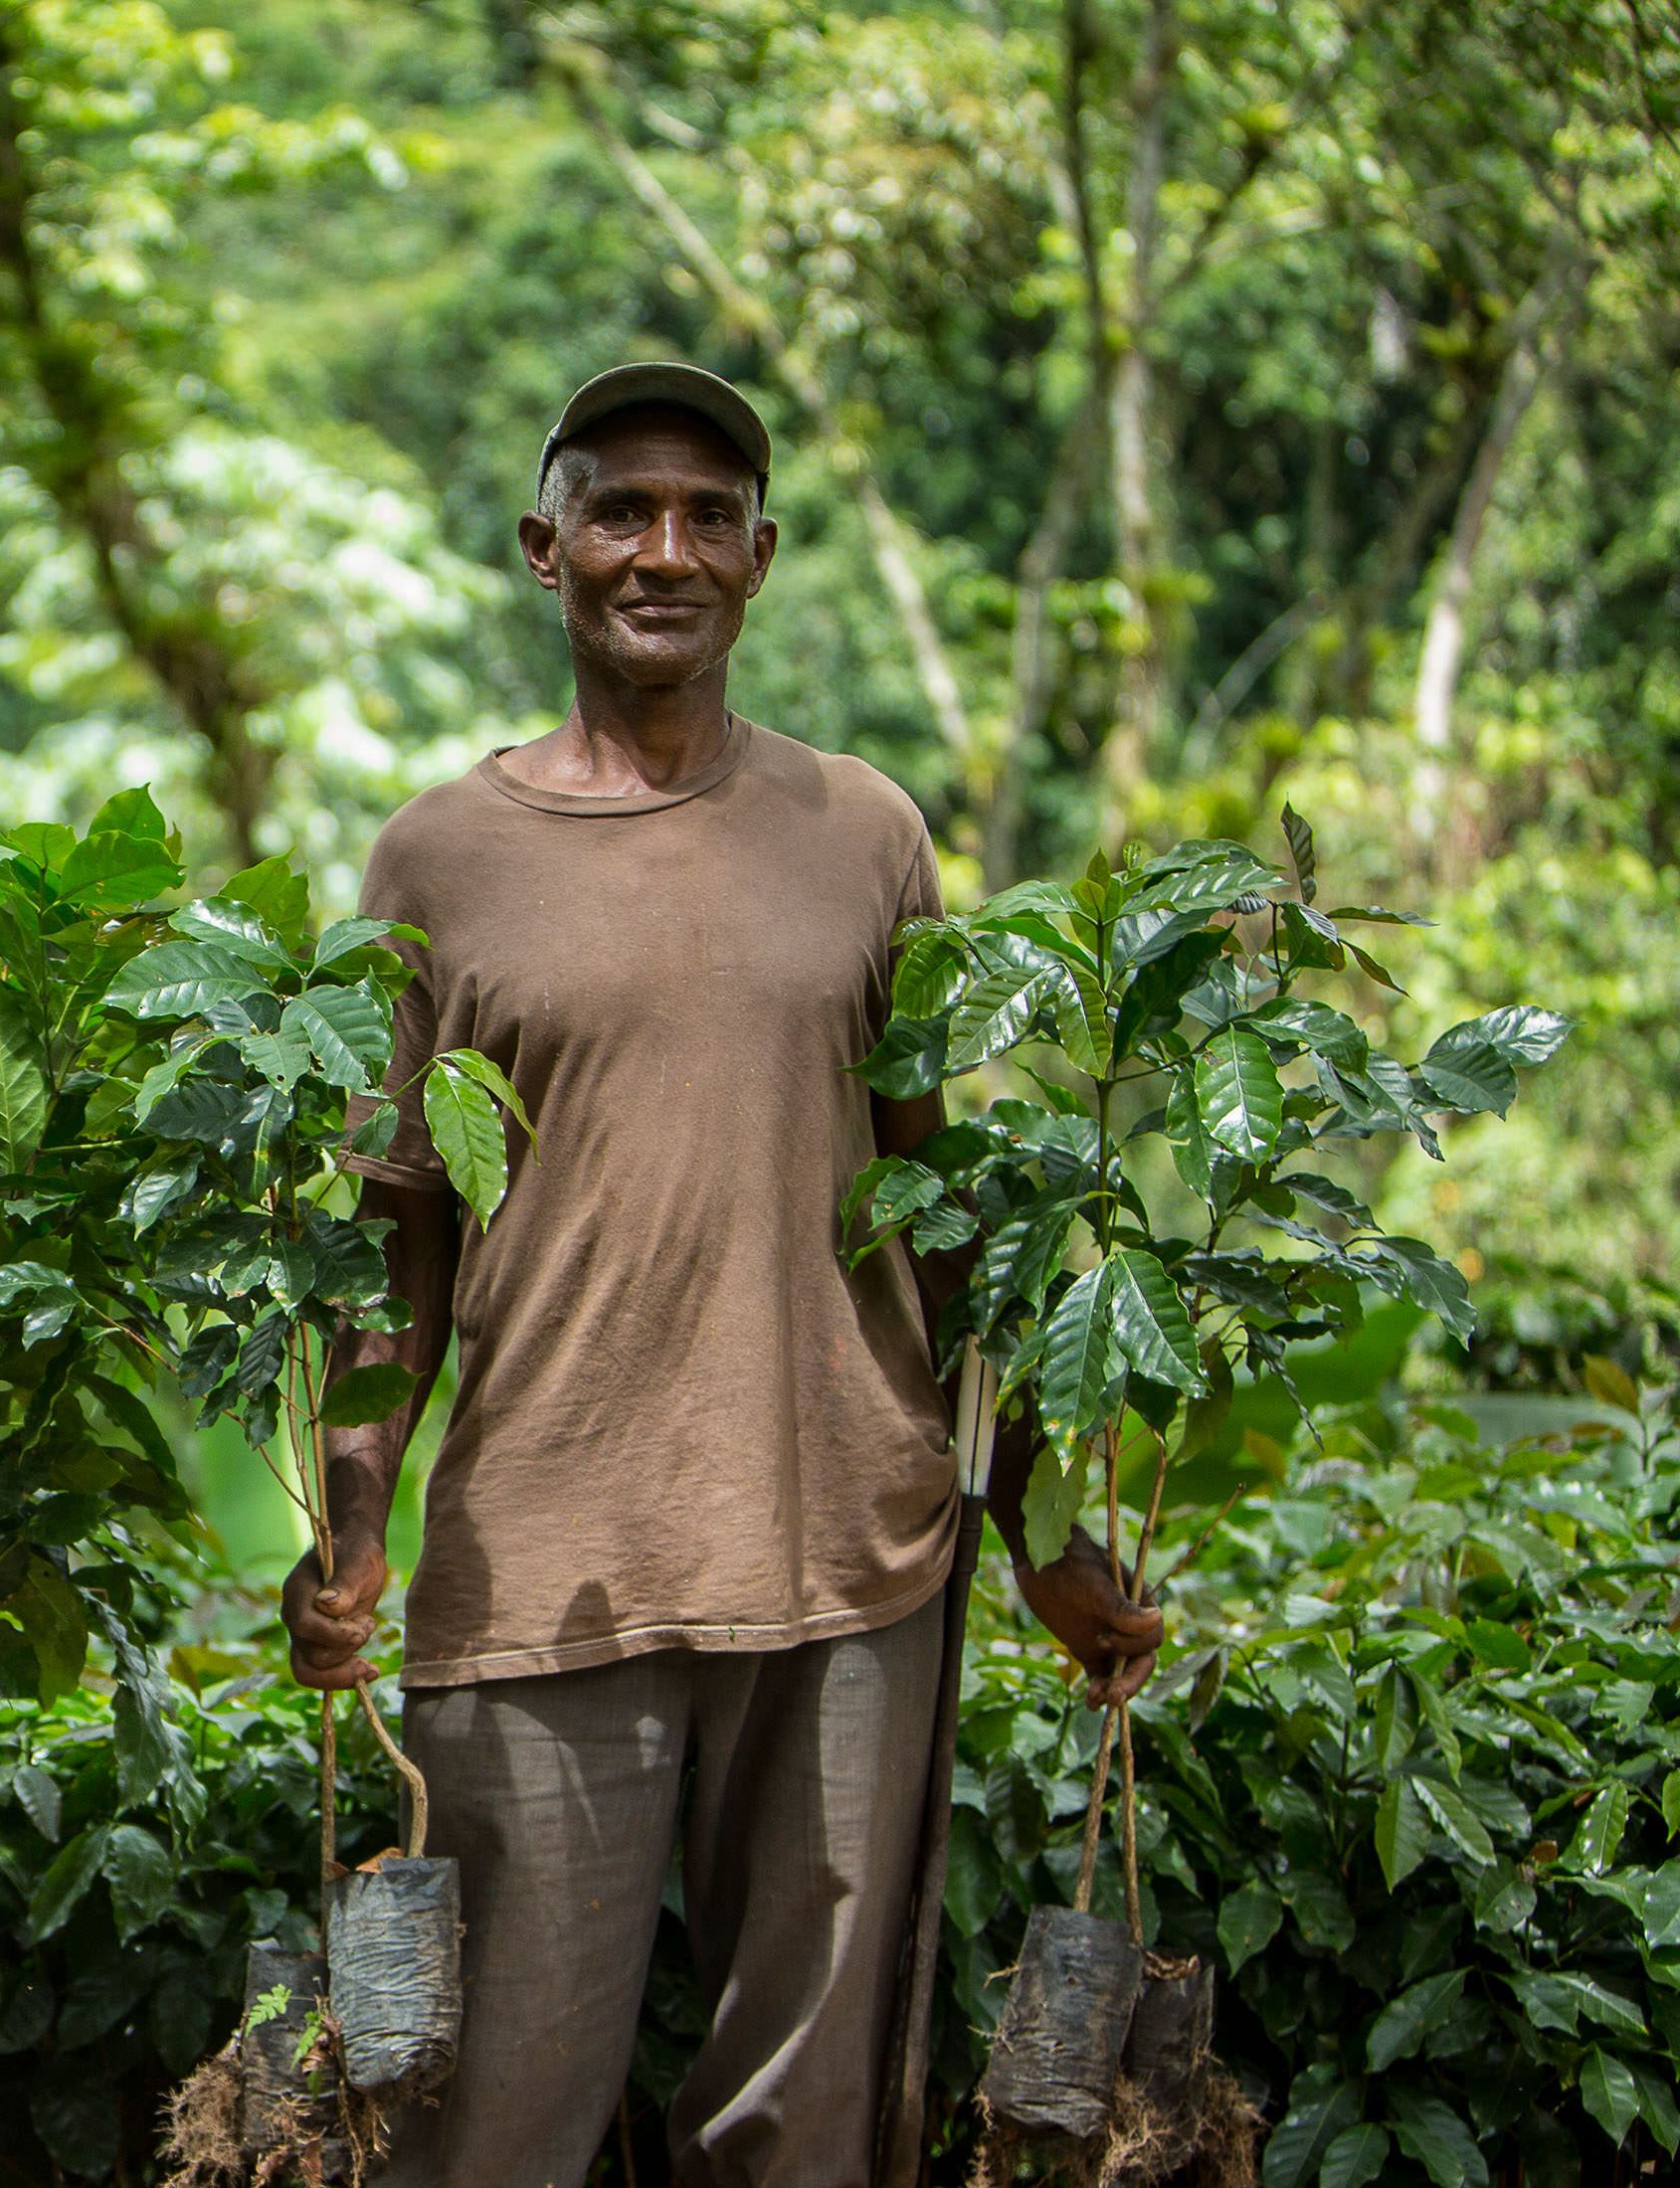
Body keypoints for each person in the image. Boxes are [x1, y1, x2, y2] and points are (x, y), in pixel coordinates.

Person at [277, 365, 1166, 2186]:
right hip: (542, 1569)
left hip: (848, 1565)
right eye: (621, 510)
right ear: (547, 550)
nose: (661, 549)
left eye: (706, 515)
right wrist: (354, 1517)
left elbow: (945, 1205)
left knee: (805, 2127)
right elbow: (395, 1234)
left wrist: (1040, 1527)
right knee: (496, 2118)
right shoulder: (438, 855)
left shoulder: (867, 835)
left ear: (763, 555)